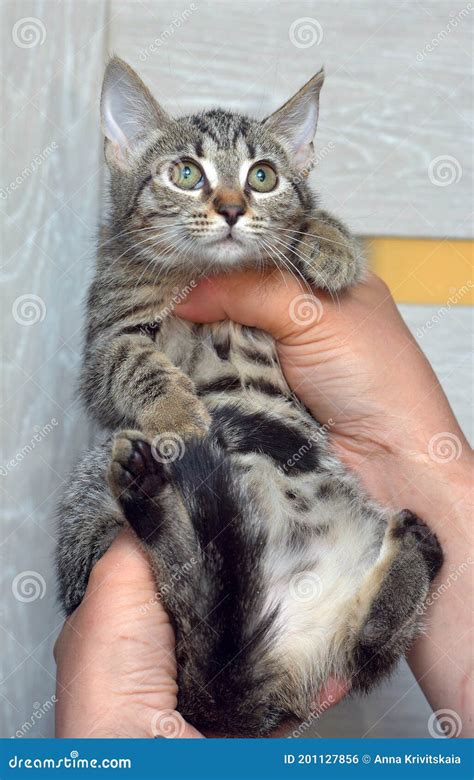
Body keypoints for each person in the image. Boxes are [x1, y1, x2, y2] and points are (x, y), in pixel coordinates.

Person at [54, 271, 472, 738]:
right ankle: (363, 636)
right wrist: (398, 447)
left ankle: (184, 543)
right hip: (308, 625)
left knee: (133, 492)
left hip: (245, 620)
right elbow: (104, 382)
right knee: (290, 668)